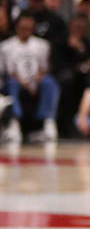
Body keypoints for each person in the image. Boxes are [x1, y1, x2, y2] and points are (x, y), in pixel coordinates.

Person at [0, 14, 59, 143]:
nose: (26, 31)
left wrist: (39, 77)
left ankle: (48, 122)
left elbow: (45, 69)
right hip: (16, 84)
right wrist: (23, 83)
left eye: (29, 28)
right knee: (11, 83)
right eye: (23, 28)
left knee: (50, 82)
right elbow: (8, 72)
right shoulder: (5, 47)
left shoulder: (42, 45)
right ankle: (13, 124)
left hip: (36, 83)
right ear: (16, 27)